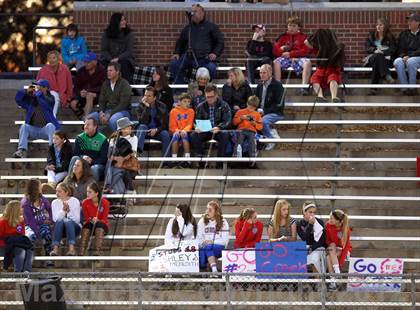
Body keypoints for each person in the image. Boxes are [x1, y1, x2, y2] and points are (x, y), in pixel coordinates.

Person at [169, 4, 224, 83]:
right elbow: (180, 41)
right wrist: (176, 53)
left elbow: (220, 42)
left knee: (211, 68)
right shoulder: (188, 28)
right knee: (174, 64)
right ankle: (180, 90)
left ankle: (204, 89)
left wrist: (215, 53)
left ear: (202, 13)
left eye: (195, 11)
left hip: (205, 58)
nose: (193, 14)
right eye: (192, 12)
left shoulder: (211, 27)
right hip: (188, 57)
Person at [12, 79, 60, 159]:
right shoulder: (32, 100)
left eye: (39, 86)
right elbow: (18, 100)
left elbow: (44, 103)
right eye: (37, 86)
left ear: (46, 88)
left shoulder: (50, 98)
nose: (37, 88)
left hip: (45, 130)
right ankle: (22, 150)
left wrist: (36, 94)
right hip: (33, 130)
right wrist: (25, 91)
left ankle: (53, 151)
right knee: (24, 126)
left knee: (51, 126)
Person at [190, 83, 232, 165]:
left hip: (218, 130)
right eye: (207, 97)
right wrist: (196, 127)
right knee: (194, 135)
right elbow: (196, 120)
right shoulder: (200, 106)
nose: (209, 99)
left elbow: (227, 120)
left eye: (211, 97)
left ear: (216, 95)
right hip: (205, 130)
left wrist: (219, 127)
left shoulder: (224, 105)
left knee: (225, 135)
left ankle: (219, 163)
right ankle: (201, 161)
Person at [272, 16, 312, 93]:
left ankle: (304, 88)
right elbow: (275, 51)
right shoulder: (282, 37)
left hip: (299, 58)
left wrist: (291, 54)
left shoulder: (303, 37)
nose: (291, 28)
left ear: (298, 27)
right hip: (285, 58)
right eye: (290, 25)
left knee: (308, 63)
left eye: (294, 26)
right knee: (275, 62)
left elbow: (306, 51)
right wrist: (282, 51)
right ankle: (278, 87)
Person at [305, 29, 345, 103]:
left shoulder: (337, 47)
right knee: (314, 79)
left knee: (333, 79)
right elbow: (306, 42)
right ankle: (320, 96)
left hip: (332, 69)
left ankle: (334, 96)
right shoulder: (318, 48)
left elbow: (340, 60)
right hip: (321, 69)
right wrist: (317, 34)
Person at [90, 62, 132, 132]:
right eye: (107, 71)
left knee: (113, 120)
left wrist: (109, 114)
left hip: (123, 111)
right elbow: (101, 101)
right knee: (90, 119)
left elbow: (123, 104)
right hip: (107, 111)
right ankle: (98, 140)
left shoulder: (124, 84)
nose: (108, 73)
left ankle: (118, 140)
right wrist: (101, 112)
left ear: (117, 72)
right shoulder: (105, 84)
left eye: (111, 70)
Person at [104, 117, 138, 195]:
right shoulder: (113, 139)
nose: (130, 127)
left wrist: (121, 159)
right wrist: (117, 159)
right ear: (121, 129)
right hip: (115, 162)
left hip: (129, 162)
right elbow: (110, 155)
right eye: (127, 126)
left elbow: (133, 153)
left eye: (130, 126)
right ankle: (109, 185)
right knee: (112, 165)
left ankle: (109, 186)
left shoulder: (134, 138)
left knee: (118, 170)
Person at [134, 86, 171, 159]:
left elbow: (165, 124)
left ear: (154, 98)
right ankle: (137, 155)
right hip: (144, 131)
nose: (146, 98)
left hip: (157, 132)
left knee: (165, 134)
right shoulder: (140, 106)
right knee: (142, 127)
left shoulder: (162, 107)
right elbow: (142, 121)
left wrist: (156, 130)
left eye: (149, 96)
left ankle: (166, 161)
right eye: (145, 95)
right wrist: (146, 107)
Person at [255, 64, 285, 151]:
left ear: (270, 73)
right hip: (261, 112)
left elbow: (279, 104)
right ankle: (271, 133)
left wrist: (264, 111)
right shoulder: (259, 86)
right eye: (260, 73)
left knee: (263, 121)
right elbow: (256, 101)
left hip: (275, 113)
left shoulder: (278, 86)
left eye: (264, 72)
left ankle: (270, 140)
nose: (262, 75)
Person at [69, 117, 109, 182]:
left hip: (97, 165)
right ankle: (69, 183)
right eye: (85, 125)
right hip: (83, 163)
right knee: (74, 158)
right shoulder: (80, 138)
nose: (85, 127)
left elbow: (103, 158)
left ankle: (92, 188)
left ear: (95, 126)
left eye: (88, 125)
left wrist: (92, 162)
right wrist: (82, 157)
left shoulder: (103, 139)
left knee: (94, 168)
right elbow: (75, 154)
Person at [21, 178, 54, 258]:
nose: (41, 187)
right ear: (35, 188)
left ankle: (48, 257)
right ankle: (29, 259)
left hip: (42, 224)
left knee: (47, 235)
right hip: (29, 226)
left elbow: (49, 208)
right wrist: (37, 233)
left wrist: (50, 219)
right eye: (40, 186)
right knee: (30, 237)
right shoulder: (26, 202)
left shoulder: (42, 198)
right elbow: (30, 221)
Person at [100, 12, 136, 82]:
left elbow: (129, 51)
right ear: (116, 22)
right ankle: (105, 87)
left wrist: (117, 59)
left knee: (123, 65)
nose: (124, 22)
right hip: (109, 59)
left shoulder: (129, 34)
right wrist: (111, 59)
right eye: (122, 20)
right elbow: (104, 50)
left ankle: (126, 88)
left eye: (124, 20)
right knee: (103, 65)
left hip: (124, 59)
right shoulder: (107, 34)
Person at [70, 52, 107, 120]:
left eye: (88, 62)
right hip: (83, 96)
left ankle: (87, 119)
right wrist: (80, 93)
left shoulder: (103, 71)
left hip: (98, 96)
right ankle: (84, 119)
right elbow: (76, 87)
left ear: (95, 62)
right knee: (73, 103)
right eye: (85, 61)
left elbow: (103, 87)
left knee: (89, 95)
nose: (85, 64)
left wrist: (89, 91)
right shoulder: (81, 71)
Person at [365, 18, 396, 95]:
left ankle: (373, 89)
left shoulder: (390, 37)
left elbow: (393, 48)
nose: (378, 26)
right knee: (377, 56)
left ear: (385, 26)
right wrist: (375, 50)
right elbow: (367, 47)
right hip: (372, 57)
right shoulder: (371, 35)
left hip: (384, 59)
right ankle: (387, 75)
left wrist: (383, 52)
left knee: (377, 62)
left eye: (380, 25)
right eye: (377, 25)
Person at [37, 50, 73, 116]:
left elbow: (69, 86)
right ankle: (51, 120)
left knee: (54, 95)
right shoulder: (43, 70)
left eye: (54, 58)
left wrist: (68, 99)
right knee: (52, 95)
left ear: (58, 59)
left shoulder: (65, 69)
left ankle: (51, 119)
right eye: (50, 58)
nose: (51, 60)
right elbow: (37, 86)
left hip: (61, 98)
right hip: (45, 96)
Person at [0, 200, 33, 272]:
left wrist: (16, 243)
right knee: (20, 251)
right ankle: (17, 273)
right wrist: (11, 243)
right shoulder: (3, 222)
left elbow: (22, 235)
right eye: (21, 207)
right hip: (5, 246)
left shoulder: (21, 221)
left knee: (29, 249)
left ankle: (26, 271)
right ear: (15, 210)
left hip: (17, 243)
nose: (22, 209)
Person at [197, 201, 229, 272]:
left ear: (216, 212)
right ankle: (211, 271)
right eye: (207, 209)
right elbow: (199, 237)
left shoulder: (223, 222)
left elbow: (224, 241)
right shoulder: (202, 221)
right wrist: (203, 243)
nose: (207, 211)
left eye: (210, 210)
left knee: (209, 247)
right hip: (205, 246)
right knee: (202, 262)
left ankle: (214, 271)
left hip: (219, 247)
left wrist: (212, 242)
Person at [50, 183, 81, 256]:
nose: (57, 193)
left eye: (59, 191)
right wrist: (64, 211)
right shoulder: (54, 202)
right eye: (56, 191)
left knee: (68, 221)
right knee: (60, 221)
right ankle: (55, 249)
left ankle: (71, 249)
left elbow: (77, 220)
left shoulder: (75, 201)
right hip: (60, 228)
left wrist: (68, 212)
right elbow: (55, 219)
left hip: (74, 228)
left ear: (66, 192)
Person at [393, 13, 420, 96]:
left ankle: (412, 88)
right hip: (406, 57)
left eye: (411, 21)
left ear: (418, 22)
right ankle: (404, 88)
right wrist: (403, 56)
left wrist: (410, 56)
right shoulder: (404, 34)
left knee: (411, 62)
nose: (409, 23)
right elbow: (400, 48)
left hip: (417, 57)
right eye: (408, 21)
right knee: (397, 61)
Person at [80, 182, 110, 256]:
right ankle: (81, 251)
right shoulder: (85, 203)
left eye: (90, 192)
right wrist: (91, 220)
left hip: (102, 227)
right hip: (91, 226)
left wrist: (98, 220)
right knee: (87, 225)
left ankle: (97, 250)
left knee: (99, 224)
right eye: (87, 191)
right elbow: (86, 218)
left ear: (96, 193)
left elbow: (104, 219)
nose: (87, 194)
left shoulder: (105, 203)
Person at [296, 201, 326, 274]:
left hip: (318, 247)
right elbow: (304, 238)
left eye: (314, 212)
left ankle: (318, 282)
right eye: (310, 212)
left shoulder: (319, 222)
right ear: (304, 212)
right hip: (306, 248)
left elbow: (321, 241)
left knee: (314, 258)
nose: (312, 214)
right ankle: (301, 282)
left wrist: (312, 248)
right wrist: (310, 225)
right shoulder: (300, 224)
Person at [232, 95, 262, 159]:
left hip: (252, 131)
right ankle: (236, 154)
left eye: (253, 108)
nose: (250, 109)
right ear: (247, 104)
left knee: (252, 140)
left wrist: (254, 124)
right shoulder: (240, 111)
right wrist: (241, 118)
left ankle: (253, 156)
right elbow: (234, 122)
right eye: (249, 106)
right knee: (239, 139)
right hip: (241, 130)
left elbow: (260, 127)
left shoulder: (257, 114)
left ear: (255, 107)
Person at [169, 93, 195, 167]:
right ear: (179, 102)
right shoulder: (173, 111)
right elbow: (172, 125)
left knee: (184, 135)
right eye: (185, 101)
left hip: (186, 132)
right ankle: (174, 159)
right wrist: (177, 130)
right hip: (176, 131)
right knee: (175, 136)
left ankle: (187, 159)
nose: (187, 103)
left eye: (188, 102)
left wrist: (184, 130)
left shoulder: (191, 111)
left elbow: (190, 124)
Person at [325, 209, 352, 275]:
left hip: (342, 250)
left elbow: (346, 247)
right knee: (332, 246)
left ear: (337, 221)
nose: (329, 220)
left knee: (329, 257)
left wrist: (340, 264)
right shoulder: (328, 225)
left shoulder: (345, 229)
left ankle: (333, 278)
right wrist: (333, 246)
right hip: (332, 248)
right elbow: (327, 240)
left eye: (331, 218)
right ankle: (336, 274)